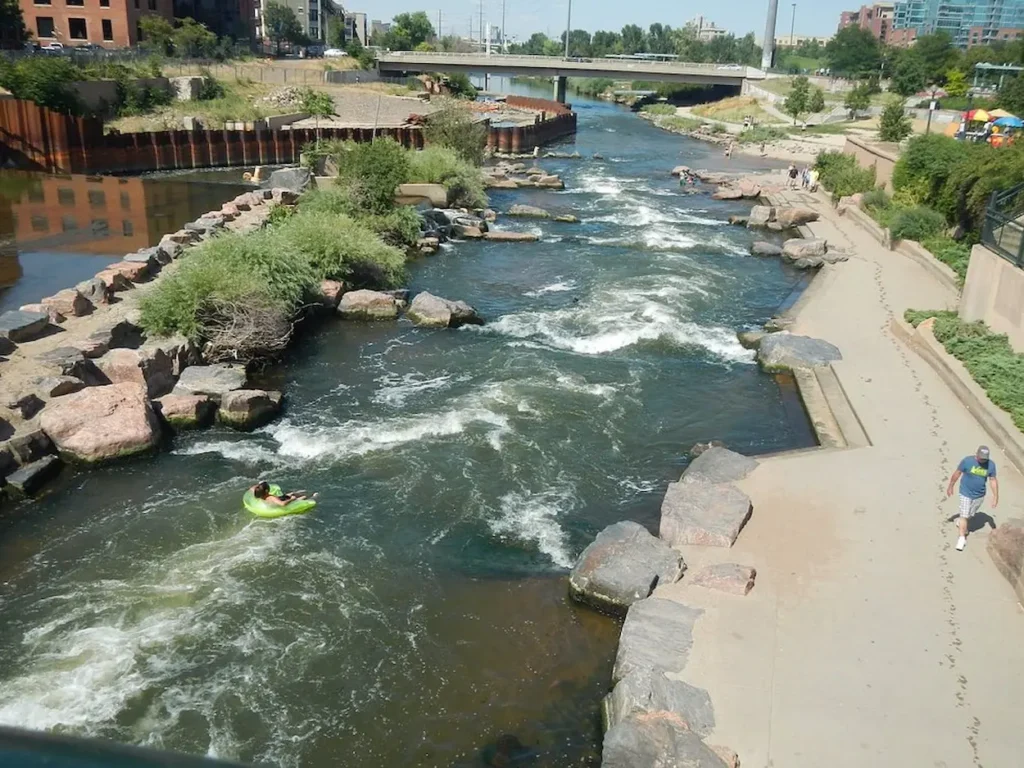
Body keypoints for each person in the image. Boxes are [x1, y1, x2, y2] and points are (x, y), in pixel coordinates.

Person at [946, 445, 999, 551]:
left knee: (969, 515)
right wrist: (951, 485)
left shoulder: (991, 465)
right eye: (981, 458)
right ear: (977, 455)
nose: (983, 460)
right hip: (965, 492)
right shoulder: (967, 461)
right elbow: (958, 473)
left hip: (979, 495)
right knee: (964, 515)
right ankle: (961, 538)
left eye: (985, 458)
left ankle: (961, 521)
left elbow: (992, 480)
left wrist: (996, 496)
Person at [251, 481, 317, 507]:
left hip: (279, 499)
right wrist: (292, 499)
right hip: (281, 502)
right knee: (303, 497)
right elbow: (282, 504)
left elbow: (252, 488)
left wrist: (260, 485)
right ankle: (314, 495)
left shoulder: (258, 494)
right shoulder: (271, 498)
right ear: (266, 491)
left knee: (290, 493)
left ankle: (293, 494)